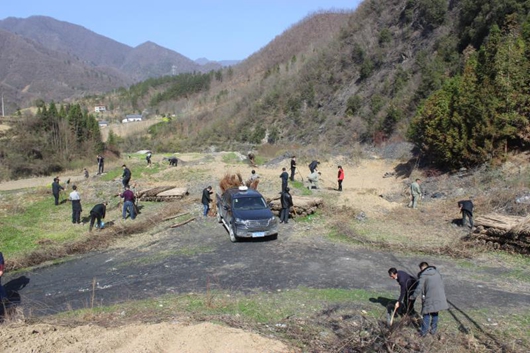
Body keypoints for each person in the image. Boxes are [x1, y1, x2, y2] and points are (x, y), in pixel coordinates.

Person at [409, 262, 449, 337]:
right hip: (439, 296)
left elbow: (419, 288)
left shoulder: (424, 275)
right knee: (435, 312)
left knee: (426, 313)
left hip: (430, 297)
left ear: (422, 268)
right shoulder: (437, 273)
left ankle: (424, 332)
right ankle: (433, 330)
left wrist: (413, 296)